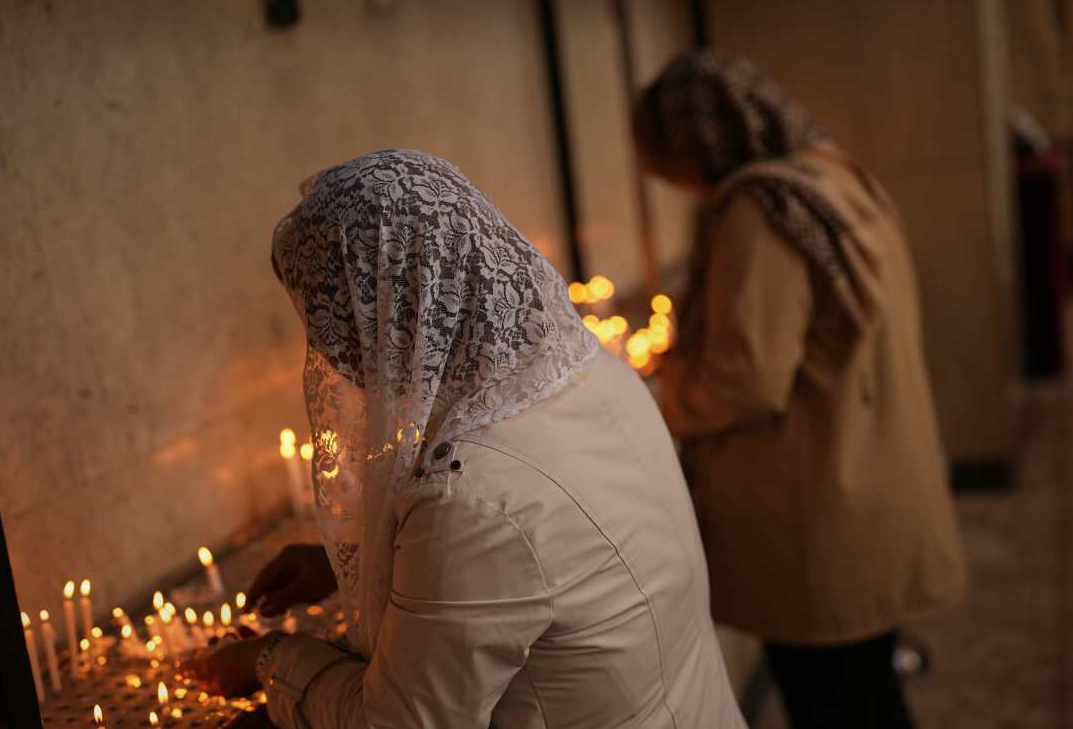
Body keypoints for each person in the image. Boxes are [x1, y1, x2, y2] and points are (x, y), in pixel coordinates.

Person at [185, 149, 746, 729]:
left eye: (331, 316)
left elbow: (400, 723)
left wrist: (270, 660)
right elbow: (551, 568)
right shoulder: (584, 370)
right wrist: (360, 562)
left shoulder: (471, 501)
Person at [632, 51, 968, 729]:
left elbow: (747, 378)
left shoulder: (760, 209)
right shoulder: (835, 176)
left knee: (833, 699)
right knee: (867, 687)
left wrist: (657, 394)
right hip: (874, 481)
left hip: (816, 512)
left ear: (689, 144)